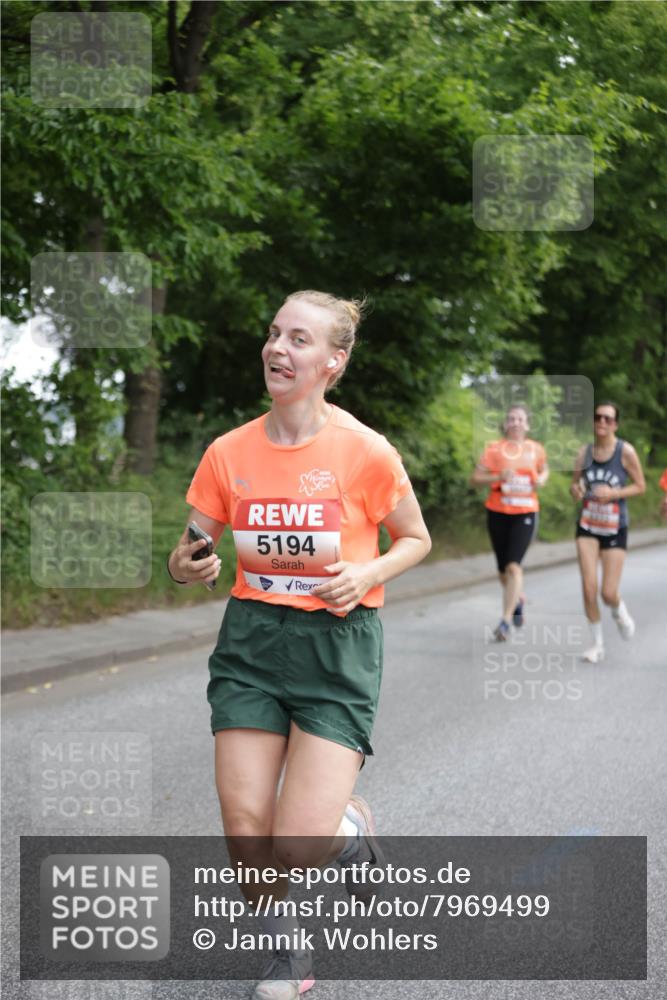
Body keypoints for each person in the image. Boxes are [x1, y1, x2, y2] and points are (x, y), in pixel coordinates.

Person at [167, 290, 431, 1000]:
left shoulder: (365, 451)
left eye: (299, 340)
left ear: (333, 363)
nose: (277, 349)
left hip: (336, 647)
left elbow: (416, 538)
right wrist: (188, 563)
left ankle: (348, 829)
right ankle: (285, 958)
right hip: (251, 642)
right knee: (248, 825)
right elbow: (189, 549)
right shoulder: (229, 451)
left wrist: (366, 573)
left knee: (298, 841)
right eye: (274, 334)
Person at [570, 401, 645, 663]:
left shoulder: (626, 452)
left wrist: (614, 493)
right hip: (588, 525)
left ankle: (618, 609)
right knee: (589, 589)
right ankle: (597, 644)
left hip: (615, 526)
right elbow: (575, 486)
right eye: (597, 417)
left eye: (608, 418)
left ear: (615, 424)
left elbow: (640, 486)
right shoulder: (583, 452)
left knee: (608, 592)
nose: (602, 422)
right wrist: (577, 491)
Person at [470, 404, 549, 640]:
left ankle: (504, 622)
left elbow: (544, 471)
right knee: (503, 572)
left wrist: (541, 480)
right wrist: (497, 476)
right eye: (511, 419)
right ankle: (518, 599)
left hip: (525, 513)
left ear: (527, 424)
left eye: (520, 419)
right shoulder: (494, 450)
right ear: (505, 424)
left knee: (514, 566)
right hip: (497, 512)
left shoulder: (536, 449)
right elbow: (474, 478)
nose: (515, 422)